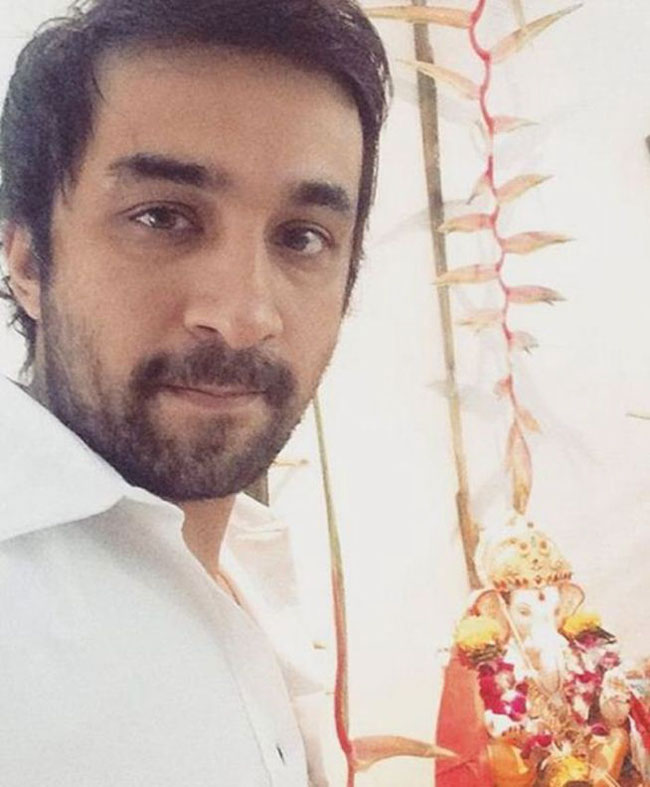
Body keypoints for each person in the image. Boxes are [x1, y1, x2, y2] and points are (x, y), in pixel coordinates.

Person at [0, 0, 390, 784]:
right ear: (29, 260)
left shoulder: (243, 555)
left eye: (302, 236)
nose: (243, 317)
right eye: (162, 217)